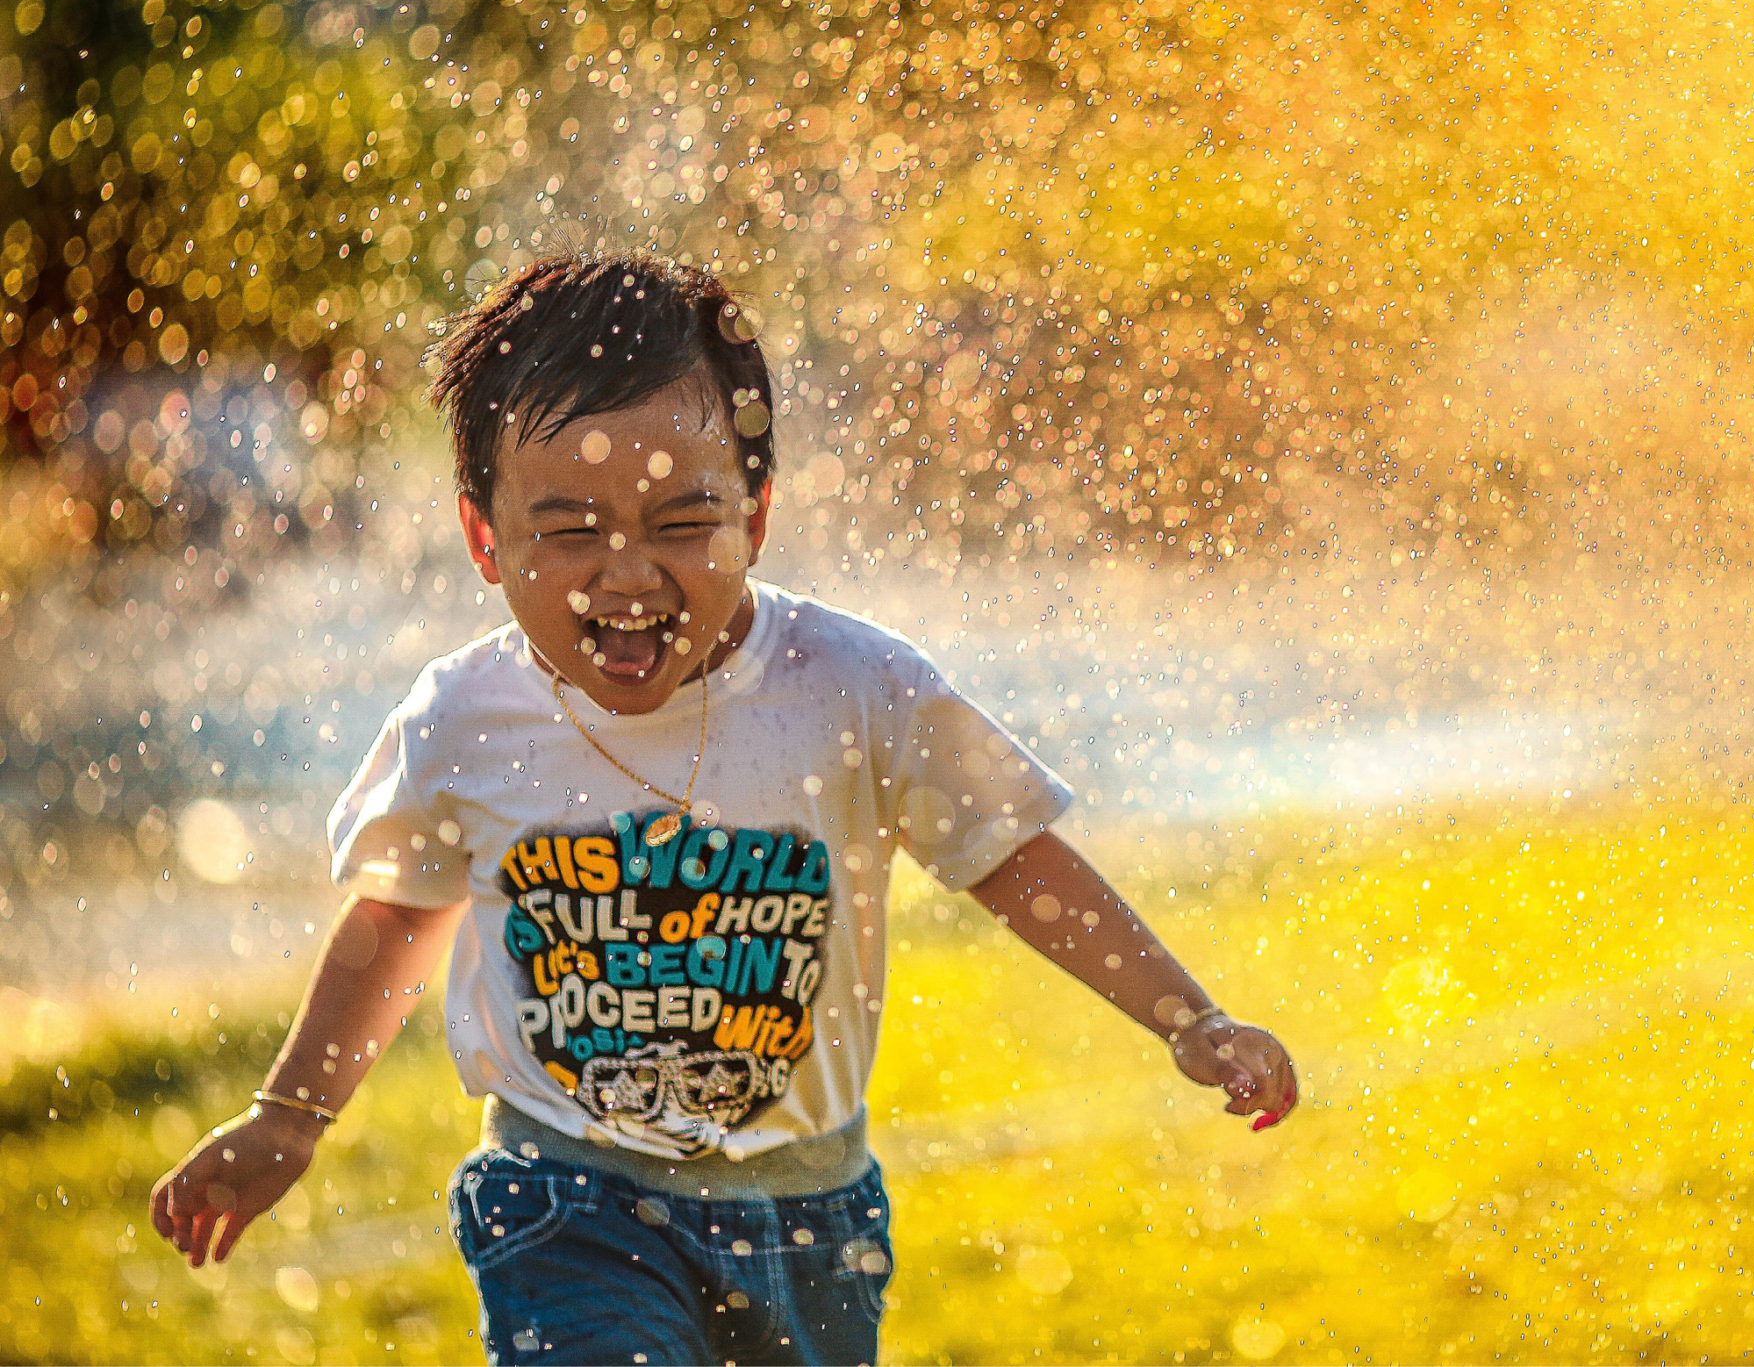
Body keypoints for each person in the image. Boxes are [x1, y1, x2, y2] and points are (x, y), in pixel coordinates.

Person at [148, 250, 1298, 1366]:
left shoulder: (853, 687)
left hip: (808, 1218)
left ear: (756, 511)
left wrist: (1185, 1016)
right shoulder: (466, 718)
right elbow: (397, 918)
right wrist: (291, 1113)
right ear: (485, 538)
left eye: (681, 522)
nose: (628, 573)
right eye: (569, 529)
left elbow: (1012, 855)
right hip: (565, 1194)